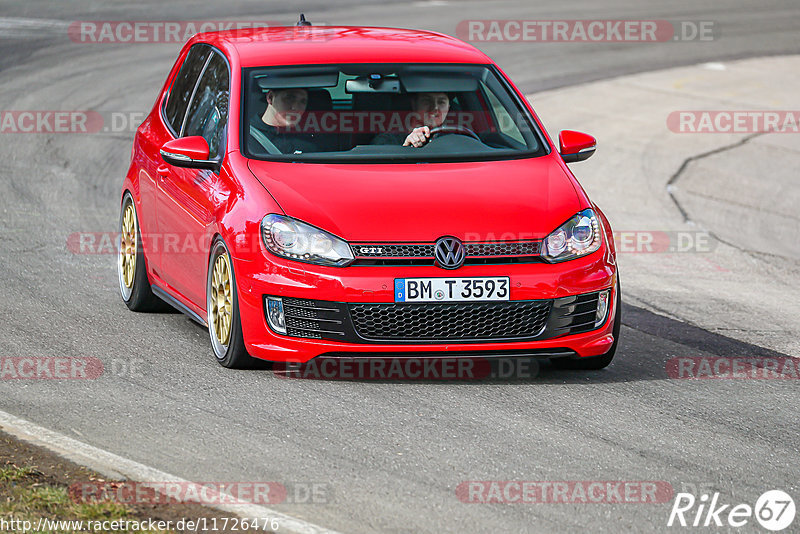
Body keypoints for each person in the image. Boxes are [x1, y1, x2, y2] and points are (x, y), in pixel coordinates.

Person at [249, 88, 333, 154]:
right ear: (270, 97)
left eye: (303, 101)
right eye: (289, 98)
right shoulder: (245, 137)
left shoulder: (312, 138)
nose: (296, 108)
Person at [372, 92, 450, 147]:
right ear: (414, 104)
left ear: (448, 107)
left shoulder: (455, 138)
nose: (435, 108)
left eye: (441, 102)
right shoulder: (387, 139)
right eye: (427, 101)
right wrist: (406, 148)